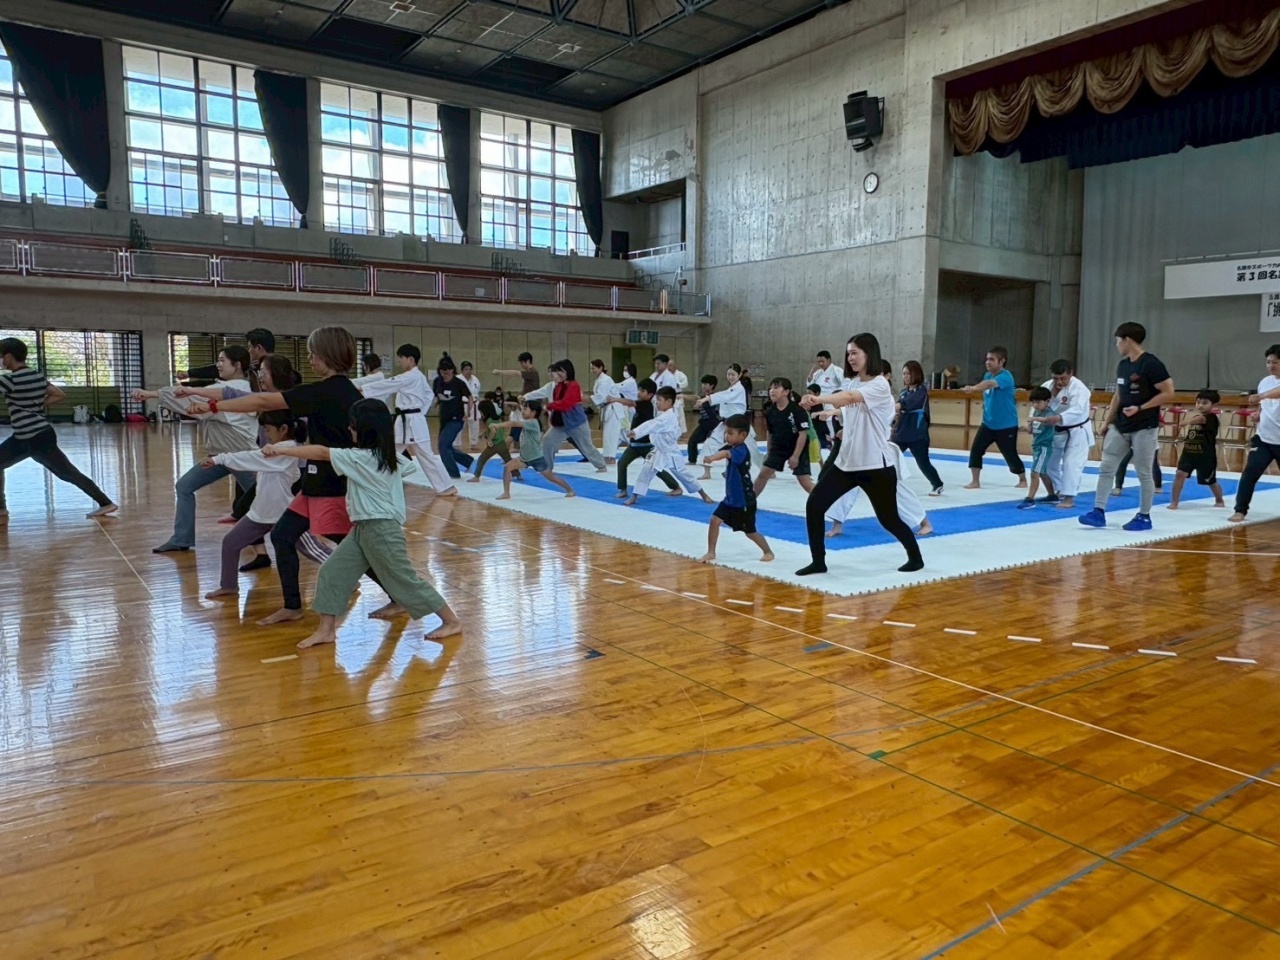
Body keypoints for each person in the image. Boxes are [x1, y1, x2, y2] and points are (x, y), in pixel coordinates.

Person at [186, 326, 389, 626]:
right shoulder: (341, 390)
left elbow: (263, 402)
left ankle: (397, 594)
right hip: (316, 484)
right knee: (283, 536)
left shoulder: (326, 392)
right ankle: (293, 606)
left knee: (354, 547)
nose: (310, 359)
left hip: (332, 487)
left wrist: (213, 405)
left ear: (327, 356)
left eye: (313, 354)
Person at [263, 399, 462, 648]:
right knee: (331, 572)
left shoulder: (362, 458)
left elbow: (322, 453)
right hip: (362, 530)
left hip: (381, 531)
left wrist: (280, 450)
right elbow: (404, 467)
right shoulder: (387, 457)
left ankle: (452, 621)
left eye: (353, 426)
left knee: (405, 580)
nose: (349, 429)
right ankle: (326, 631)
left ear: (365, 430)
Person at [795, 333, 923, 576]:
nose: (850, 358)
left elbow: (850, 398)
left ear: (869, 354)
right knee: (815, 505)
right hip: (847, 464)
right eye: (848, 353)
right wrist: (831, 412)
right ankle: (818, 561)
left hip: (875, 466)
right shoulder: (853, 382)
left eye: (855, 353)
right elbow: (849, 405)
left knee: (888, 519)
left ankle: (915, 557)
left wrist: (818, 399)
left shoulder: (879, 384)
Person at [141, 345, 260, 552]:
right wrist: (154, 394)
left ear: (237, 365)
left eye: (222, 360)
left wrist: (151, 394)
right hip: (219, 457)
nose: (218, 364)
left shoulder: (239, 389)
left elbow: (193, 401)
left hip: (242, 456)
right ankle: (181, 539)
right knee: (184, 486)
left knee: (263, 497)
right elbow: (194, 398)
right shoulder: (221, 387)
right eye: (218, 360)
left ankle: (290, 535)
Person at [0, 336, 117, 520]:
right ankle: (1, 509)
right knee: (67, 473)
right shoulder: (37, 376)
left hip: (33, 437)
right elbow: (59, 394)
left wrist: (27, 406)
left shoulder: (9, 380)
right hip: (33, 435)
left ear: (8, 356)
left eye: (1, 356)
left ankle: (106, 503)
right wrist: (38, 404)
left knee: (68, 473)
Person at [1080, 322, 1174, 531]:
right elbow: (1118, 395)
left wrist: (1140, 408)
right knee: (1106, 467)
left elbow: (1168, 392)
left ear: (1127, 340)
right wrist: (1107, 421)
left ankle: (1144, 516)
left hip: (1144, 426)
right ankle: (1098, 511)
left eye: (1117, 341)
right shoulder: (1123, 365)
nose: (1116, 345)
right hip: (1120, 425)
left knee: (1143, 472)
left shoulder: (1151, 364)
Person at [201, 410, 304, 600]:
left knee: (314, 551)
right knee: (230, 543)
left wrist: (218, 458)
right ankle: (229, 586)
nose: (265, 434)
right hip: (260, 513)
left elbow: (251, 458)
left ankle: (349, 580)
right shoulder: (276, 449)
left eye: (268, 429)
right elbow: (291, 473)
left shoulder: (287, 449)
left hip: (284, 515)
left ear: (283, 429)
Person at [357, 345, 457, 496]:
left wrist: (363, 389)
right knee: (392, 452)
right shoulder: (417, 377)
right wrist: (420, 411)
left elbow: (390, 383)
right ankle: (378, 482)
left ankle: (446, 486)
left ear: (410, 359)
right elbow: (429, 395)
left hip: (412, 420)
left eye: (401, 358)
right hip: (408, 419)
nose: (399, 361)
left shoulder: (411, 376)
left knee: (423, 454)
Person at [700, 414, 773, 564]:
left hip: (743, 501)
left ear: (743, 435)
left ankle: (768, 551)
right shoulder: (732, 446)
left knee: (750, 532)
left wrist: (712, 458)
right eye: (726, 433)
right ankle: (711, 552)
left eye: (730, 433)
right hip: (730, 499)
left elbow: (725, 454)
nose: (726, 436)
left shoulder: (741, 451)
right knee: (714, 520)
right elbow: (724, 450)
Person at [622, 387, 713, 506]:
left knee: (684, 474)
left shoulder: (668, 417)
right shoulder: (662, 414)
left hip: (670, 452)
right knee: (645, 471)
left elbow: (652, 424)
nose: (657, 403)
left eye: (659, 400)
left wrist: (636, 432)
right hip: (658, 451)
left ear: (669, 402)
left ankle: (703, 494)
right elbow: (654, 425)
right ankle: (634, 496)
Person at [962, 346, 1026, 489]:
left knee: (1010, 454)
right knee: (976, 450)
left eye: (992, 359)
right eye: (987, 359)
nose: (987, 362)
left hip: (1006, 425)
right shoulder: (987, 375)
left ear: (1001, 362)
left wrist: (973, 388)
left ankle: (1022, 478)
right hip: (988, 423)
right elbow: (988, 392)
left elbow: (989, 385)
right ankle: (975, 480)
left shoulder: (1006, 377)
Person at [1230, 345, 1280, 523]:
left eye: (1275, 362)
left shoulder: (1268, 390)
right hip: (1264, 438)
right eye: (1268, 362)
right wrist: (1258, 414)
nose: (1271, 366)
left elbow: (1275, 394)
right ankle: (1240, 510)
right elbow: (1263, 405)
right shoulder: (1265, 382)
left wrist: (1261, 396)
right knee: (1250, 473)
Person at [1038, 359, 1093, 509]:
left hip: (1077, 430)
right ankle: (1058, 490)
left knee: (1071, 464)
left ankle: (1069, 498)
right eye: (1055, 378)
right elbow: (1037, 404)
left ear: (1071, 374)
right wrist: (1033, 421)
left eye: (1063, 378)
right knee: (1048, 462)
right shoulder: (1046, 386)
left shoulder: (1079, 389)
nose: (1059, 382)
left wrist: (1058, 418)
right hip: (1055, 430)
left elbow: (1077, 410)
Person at [497, 400, 574, 500]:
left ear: (533, 412)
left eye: (525, 409)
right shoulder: (529, 422)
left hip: (537, 458)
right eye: (523, 408)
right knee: (507, 467)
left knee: (551, 478)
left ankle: (570, 490)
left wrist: (498, 425)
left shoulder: (532, 423)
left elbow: (513, 423)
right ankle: (506, 493)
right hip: (524, 458)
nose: (522, 411)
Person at [615, 378, 678, 496]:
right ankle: (622, 489)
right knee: (622, 463)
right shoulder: (641, 405)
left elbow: (630, 402)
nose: (639, 392)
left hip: (646, 445)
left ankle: (675, 486)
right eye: (639, 390)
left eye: (642, 391)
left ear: (650, 395)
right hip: (634, 445)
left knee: (655, 468)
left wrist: (614, 399)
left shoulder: (646, 405)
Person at [541, 359, 607, 472]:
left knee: (586, 447)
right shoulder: (558, 387)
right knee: (547, 440)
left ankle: (601, 466)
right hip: (562, 424)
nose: (558, 374)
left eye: (560, 371)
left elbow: (566, 403)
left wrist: (549, 406)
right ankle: (547, 467)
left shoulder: (574, 386)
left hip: (577, 423)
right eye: (557, 371)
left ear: (567, 371)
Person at [892, 360, 944, 496]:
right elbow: (898, 408)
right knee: (889, 457)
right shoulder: (903, 392)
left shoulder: (922, 391)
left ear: (916, 374)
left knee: (923, 463)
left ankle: (937, 483)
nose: (905, 376)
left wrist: (892, 406)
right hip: (901, 433)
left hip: (917, 435)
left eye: (908, 373)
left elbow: (906, 403)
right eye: (903, 374)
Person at [755, 377, 814, 495]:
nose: (772, 391)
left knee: (804, 480)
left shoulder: (797, 410)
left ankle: (825, 502)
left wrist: (795, 456)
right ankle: (749, 502)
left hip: (797, 448)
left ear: (786, 392)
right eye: (771, 388)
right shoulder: (770, 411)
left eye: (776, 388)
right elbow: (770, 432)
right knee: (763, 474)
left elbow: (803, 434)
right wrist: (769, 452)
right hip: (779, 448)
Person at [1169, 390, 1225, 510]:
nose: (1200, 405)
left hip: (1205, 456)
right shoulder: (1196, 417)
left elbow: (1201, 419)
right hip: (1188, 453)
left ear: (1214, 405)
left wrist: (1186, 422)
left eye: (1204, 403)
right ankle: (1174, 502)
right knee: (1179, 474)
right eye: (1198, 402)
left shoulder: (1211, 418)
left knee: (1210, 481)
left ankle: (1219, 499)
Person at [695, 364, 750, 479]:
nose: (730, 377)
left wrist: (707, 398)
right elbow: (724, 396)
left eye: (733, 374)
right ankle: (707, 472)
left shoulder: (738, 389)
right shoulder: (731, 389)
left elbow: (724, 396)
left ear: (739, 375)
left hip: (738, 424)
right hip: (726, 422)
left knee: (746, 449)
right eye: (728, 374)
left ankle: (768, 469)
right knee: (710, 443)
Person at [432, 354, 474, 479]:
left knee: (443, 445)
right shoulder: (437, 381)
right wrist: (436, 403)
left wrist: (468, 413)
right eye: (443, 372)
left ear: (452, 371)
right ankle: (467, 461)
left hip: (456, 419)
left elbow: (470, 397)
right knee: (447, 446)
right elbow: (437, 395)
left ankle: (453, 472)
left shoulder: (458, 383)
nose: (446, 375)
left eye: (448, 372)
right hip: (444, 418)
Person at [182, 327, 275, 381]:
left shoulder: (261, 369)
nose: (249, 350)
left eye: (250, 347)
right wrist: (190, 373)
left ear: (258, 348)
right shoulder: (253, 366)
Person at [1017, 387, 1057, 509]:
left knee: (1035, 472)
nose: (1035, 405)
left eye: (1038, 402)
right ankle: (1052, 495)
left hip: (1044, 447)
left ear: (1047, 401)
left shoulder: (1049, 413)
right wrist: (1026, 427)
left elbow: (1048, 420)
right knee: (1042, 472)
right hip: (1036, 446)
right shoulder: (1035, 412)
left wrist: (1033, 419)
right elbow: (1032, 430)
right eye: (1033, 402)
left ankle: (1030, 498)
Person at [590, 359, 626, 465]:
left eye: (594, 368)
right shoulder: (599, 380)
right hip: (607, 408)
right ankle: (608, 456)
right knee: (608, 435)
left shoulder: (605, 380)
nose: (592, 371)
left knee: (611, 435)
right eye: (591, 369)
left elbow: (601, 396)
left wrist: (588, 399)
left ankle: (610, 457)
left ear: (601, 367)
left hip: (613, 409)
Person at [466, 399, 512, 482]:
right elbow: (492, 430)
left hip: (494, 444)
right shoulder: (498, 418)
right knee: (508, 460)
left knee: (482, 459)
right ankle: (517, 474)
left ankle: (476, 476)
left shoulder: (489, 420)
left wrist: (489, 440)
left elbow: (493, 431)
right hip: (502, 443)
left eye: (481, 411)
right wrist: (484, 434)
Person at [807, 350, 845, 448]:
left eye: (822, 361)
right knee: (817, 420)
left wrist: (838, 397)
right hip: (818, 401)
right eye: (819, 361)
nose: (820, 364)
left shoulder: (837, 370)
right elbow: (810, 386)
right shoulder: (818, 373)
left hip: (831, 400)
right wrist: (811, 373)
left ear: (828, 360)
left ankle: (833, 439)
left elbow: (845, 384)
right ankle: (823, 442)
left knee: (829, 419)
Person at [687, 375, 720, 465]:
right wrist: (682, 396)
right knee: (692, 440)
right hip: (704, 424)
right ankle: (692, 460)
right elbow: (695, 397)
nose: (703, 386)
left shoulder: (715, 397)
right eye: (702, 384)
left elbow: (714, 413)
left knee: (718, 443)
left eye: (705, 384)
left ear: (712, 385)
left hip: (714, 424)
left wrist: (703, 405)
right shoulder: (702, 398)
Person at [459, 361, 482, 451]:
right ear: (462, 370)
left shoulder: (475, 379)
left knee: (474, 425)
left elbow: (477, 393)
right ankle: (456, 443)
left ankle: (474, 444)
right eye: (466, 369)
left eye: (469, 369)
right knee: (459, 425)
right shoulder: (457, 379)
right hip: (462, 404)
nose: (468, 371)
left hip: (474, 404)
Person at [668, 358, 690, 438]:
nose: (669, 367)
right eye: (668, 365)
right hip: (669, 397)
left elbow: (685, 383)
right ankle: (671, 431)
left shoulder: (680, 374)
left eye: (671, 365)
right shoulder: (666, 375)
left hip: (678, 397)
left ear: (674, 366)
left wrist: (677, 384)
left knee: (680, 416)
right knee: (670, 415)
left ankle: (681, 432)